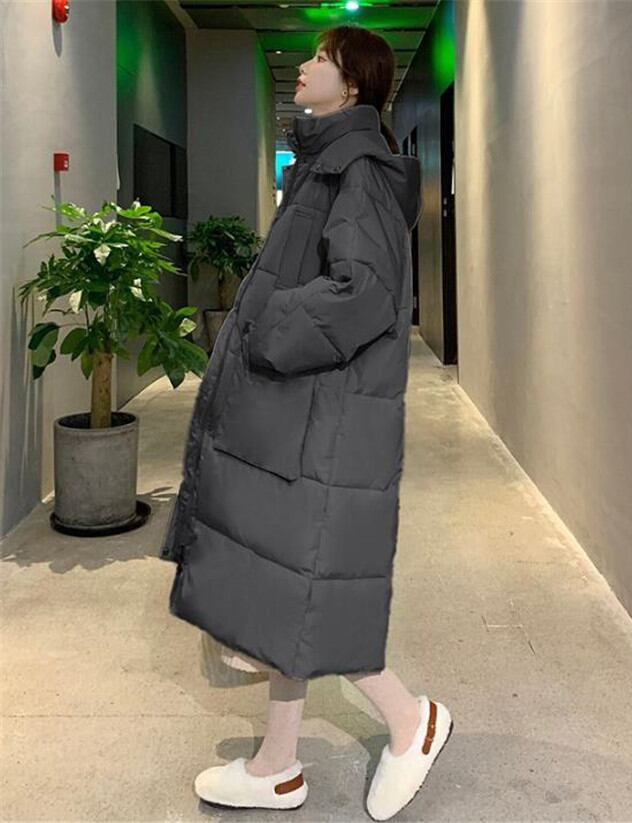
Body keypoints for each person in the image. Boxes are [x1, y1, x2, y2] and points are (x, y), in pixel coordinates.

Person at [159, 25, 453, 820]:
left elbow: (363, 292)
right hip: (303, 409)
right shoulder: (329, 164)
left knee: (303, 588)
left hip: (322, 415)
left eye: (321, 59)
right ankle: (278, 765)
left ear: (352, 84)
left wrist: (263, 326)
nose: (305, 67)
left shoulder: (356, 171)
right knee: (285, 585)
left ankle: (410, 721)